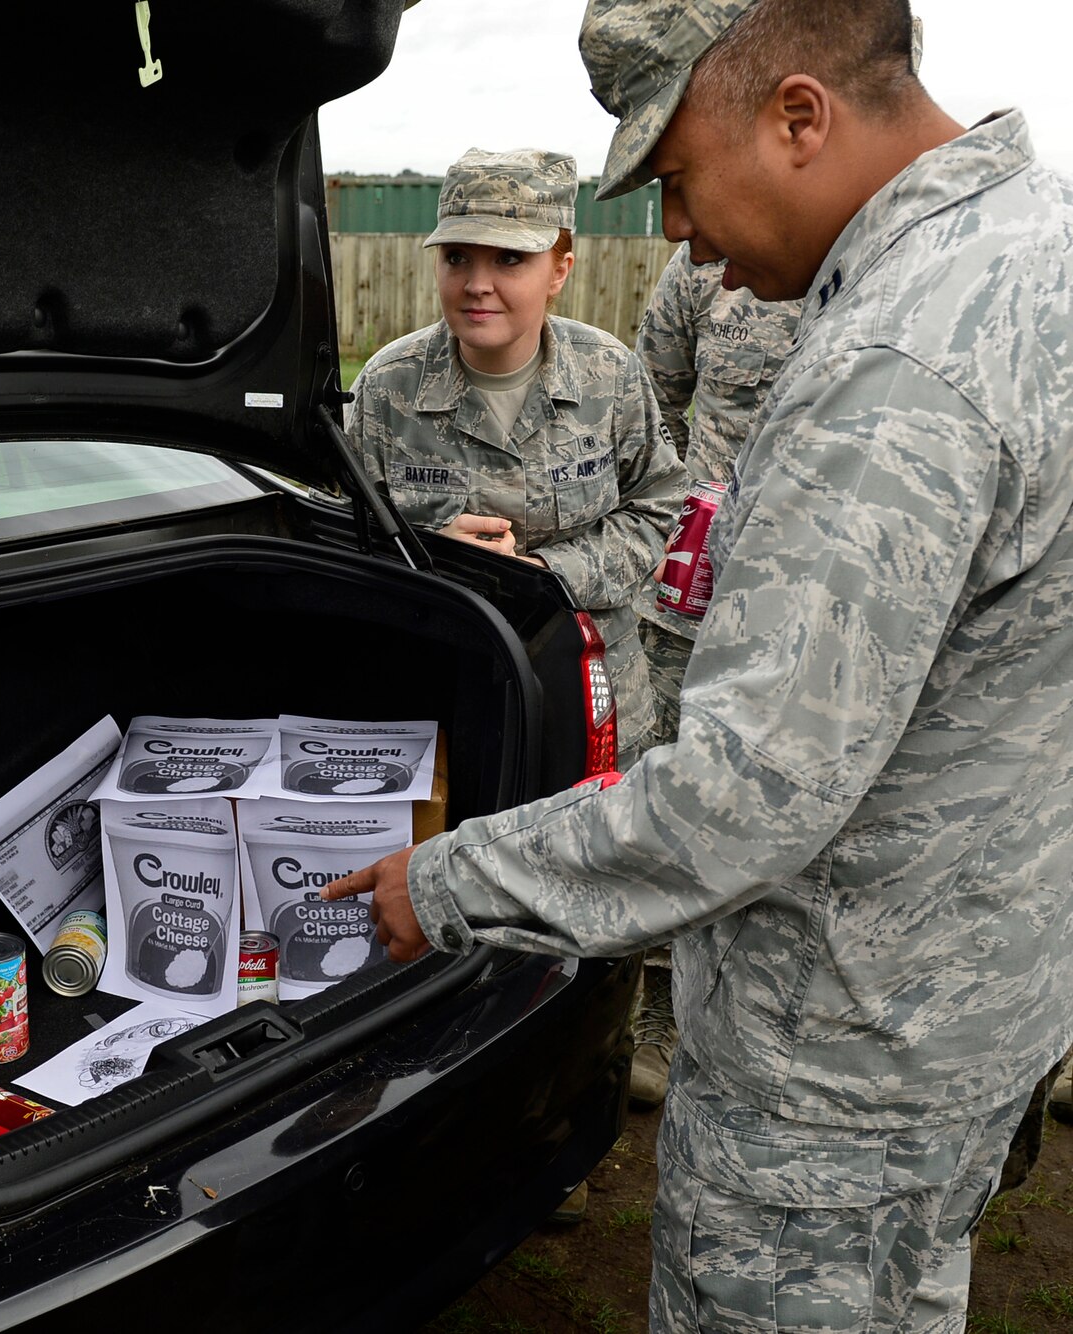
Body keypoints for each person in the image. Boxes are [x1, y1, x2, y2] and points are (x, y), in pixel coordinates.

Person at [325, 0, 1073, 1327]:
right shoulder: (1032, 243)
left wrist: (445, 881)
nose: (672, 233)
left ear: (799, 115)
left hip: (833, 1070)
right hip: (974, 1000)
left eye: (673, 178)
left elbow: (745, 796)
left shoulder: (897, 366)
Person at [346, 148, 684, 768]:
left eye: (510, 259)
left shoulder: (609, 376)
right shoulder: (386, 387)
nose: (478, 284)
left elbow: (659, 509)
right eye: (457, 258)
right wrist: (429, 551)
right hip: (437, 706)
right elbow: (342, 539)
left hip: (593, 703)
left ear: (559, 269)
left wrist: (540, 572)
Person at [624, 246, 801, 1108]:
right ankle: (653, 1009)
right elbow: (651, 399)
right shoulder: (704, 268)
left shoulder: (896, 269)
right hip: (693, 592)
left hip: (825, 598)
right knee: (666, 787)